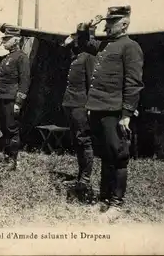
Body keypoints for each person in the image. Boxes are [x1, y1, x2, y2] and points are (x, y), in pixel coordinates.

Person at [63, 6, 144, 219]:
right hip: (97, 108)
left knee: (118, 156)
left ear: (124, 24)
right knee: (106, 157)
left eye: (111, 23)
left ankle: (116, 205)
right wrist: (87, 26)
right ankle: (103, 201)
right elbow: (84, 43)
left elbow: (134, 83)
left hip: (114, 110)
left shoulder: (130, 47)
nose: (106, 27)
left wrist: (127, 113)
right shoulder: (105, 46)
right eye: (106, 22)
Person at [58, 26, 96, 204]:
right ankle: (80, 176)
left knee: (84, 140)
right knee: (76, 140)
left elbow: (92, 84)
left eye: (76, 38)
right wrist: (66, 45)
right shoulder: (76, 58)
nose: (74, 41)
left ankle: (85, 179)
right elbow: (62, 57)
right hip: (71, 104)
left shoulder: (88, 58)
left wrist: (90, 106)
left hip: (81, 104)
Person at [0, 28, 31, 171]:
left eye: (7, 39)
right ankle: (6, 158)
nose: (4, 41)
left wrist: (19, 102)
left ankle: (12, 161)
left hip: (12, 98)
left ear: (16, 40)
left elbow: (24, 81)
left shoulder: (21, 57)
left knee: (12, 129)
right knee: (4, 128)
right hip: (2, 97)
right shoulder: (7, 57)